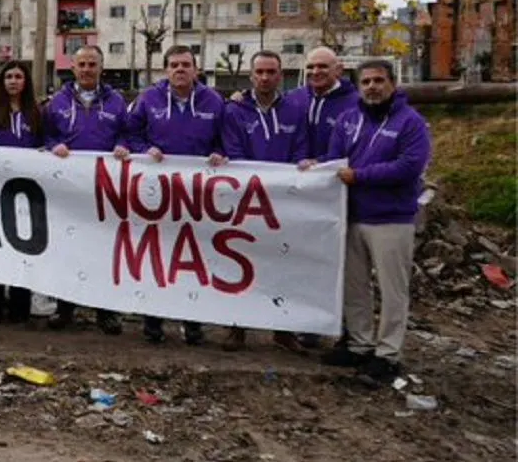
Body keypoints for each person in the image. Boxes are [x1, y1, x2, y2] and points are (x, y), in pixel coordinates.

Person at [309, 59, 431, 386]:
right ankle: (359, 344)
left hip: (391, 218)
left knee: (392, 290)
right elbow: (335, 160)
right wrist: (315, 165)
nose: (372, 87)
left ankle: (388, 353)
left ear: (393, 83)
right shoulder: (349, 120)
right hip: (351, 216)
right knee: (355, 285)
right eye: (365, 82)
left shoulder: (411, 122)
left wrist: (360, 176)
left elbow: (409, 166)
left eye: (378, 80)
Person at [125, 45, 227, 345]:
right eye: (174, 65)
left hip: (198, 193)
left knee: (194, 258)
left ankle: (192, 321)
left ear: (196, 69)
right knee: (156, 256)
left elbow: (226, 138)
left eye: (185, 64)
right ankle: (153, 320)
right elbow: (130, 134)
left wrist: (219, 152)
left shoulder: (214, 101)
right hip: (157, 191)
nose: (180, 69)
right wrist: (145, 149)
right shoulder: (149, 98)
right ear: (165, 70)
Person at [219, 50, 308, 353]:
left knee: (282, 263)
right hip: (246, 200)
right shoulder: (234, 111)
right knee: (240, 263)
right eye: (260, 72)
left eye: (271, 72)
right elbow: (233, 151)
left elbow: (301, 150)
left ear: (280, 76)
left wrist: (292, 178)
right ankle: (236, 326)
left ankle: (283, 329)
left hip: (283, 201)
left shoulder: (295, 111)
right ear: (251, 76)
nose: (265, 77)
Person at [42, 46, 131, 334]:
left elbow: (128, 132)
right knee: (67, 249)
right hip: (68, 189)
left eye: (92, 64)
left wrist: (123, 145)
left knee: (104, 250)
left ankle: (106, 312)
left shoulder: (117, 101)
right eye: (81, 64)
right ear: (73, 68)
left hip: (104, 188)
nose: (87, 69)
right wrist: (54, 144)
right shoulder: (57, 101)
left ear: (101, 68)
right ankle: (64, 308)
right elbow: (46, 134)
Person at [0, 60, 44, 324]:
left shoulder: (37, 113)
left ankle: (20, 305)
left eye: (18, 76)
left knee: (23, 249)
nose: (13, 81)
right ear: (2, 81)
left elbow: (47, 143)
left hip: (27, 193)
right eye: (8, 77)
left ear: (26, 81)